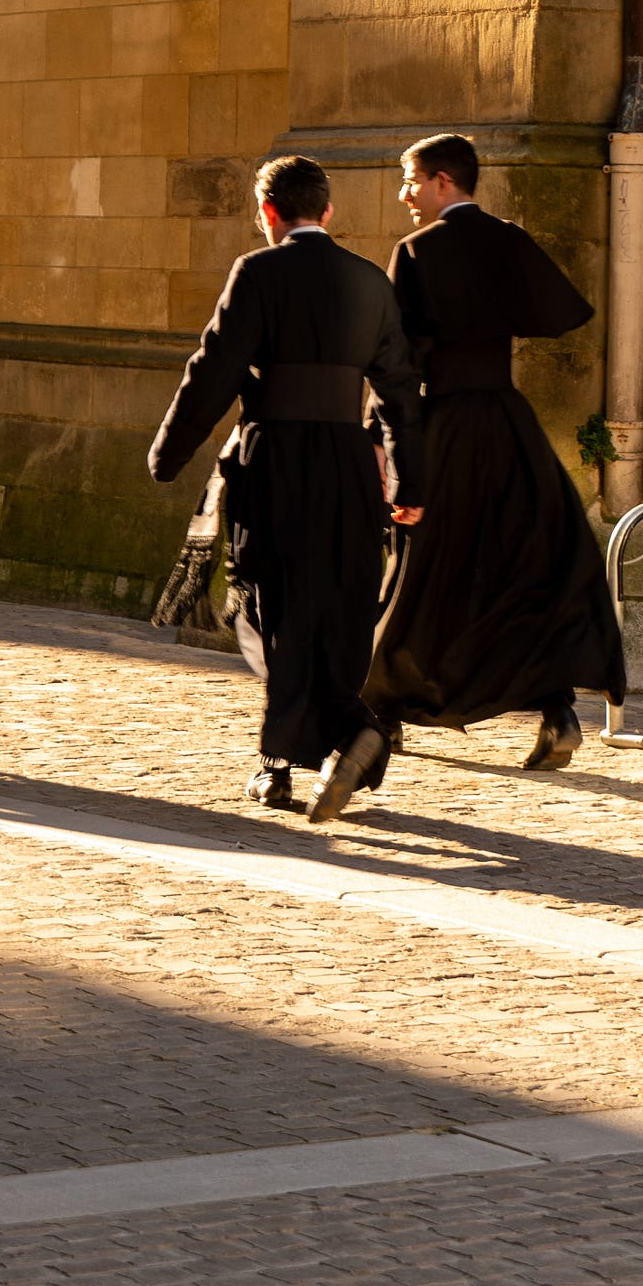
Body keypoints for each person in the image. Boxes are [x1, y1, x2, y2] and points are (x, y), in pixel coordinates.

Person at [149, 155, 425, 824]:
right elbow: (399, 392)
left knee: (272, 608)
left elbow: (212, 369)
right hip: (349, 467)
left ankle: (309, 750)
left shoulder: (258, 271)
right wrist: (412, 480)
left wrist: (169, 452)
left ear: (268, 212)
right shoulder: (369, 280)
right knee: (337, 607)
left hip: (275, 461)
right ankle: (317, 745)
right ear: (327, 211)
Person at [364, 133, 625, 767]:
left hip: (446, 424)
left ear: (443, 181)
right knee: (523, 564)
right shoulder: (508, 239)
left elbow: (396, 360)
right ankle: (557, 712)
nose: (404, 194)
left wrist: (379, 434)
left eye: (411, 180)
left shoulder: (417, 250)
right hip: (508, 424)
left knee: (421, 570)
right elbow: (560, 311)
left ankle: (381, 713)